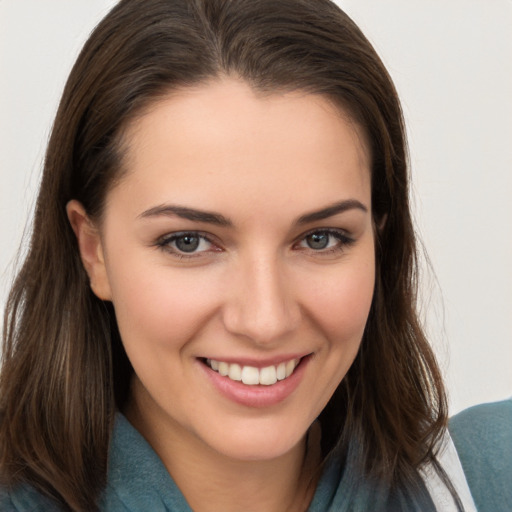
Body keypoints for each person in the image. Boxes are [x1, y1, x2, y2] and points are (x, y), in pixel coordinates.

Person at [0, 0, 509, 511]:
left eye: (321, 238)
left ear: (379, 237)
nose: (265, 321)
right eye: (189, 242)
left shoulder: (489, 481)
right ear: (94, 251)